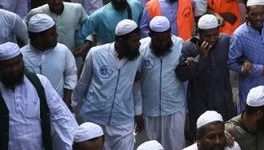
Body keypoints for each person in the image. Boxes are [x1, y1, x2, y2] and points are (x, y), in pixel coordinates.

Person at [0, 42, 77, 149]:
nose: (14, 69)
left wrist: (77, 140)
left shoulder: (40, 83)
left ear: (22, 60)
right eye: (8, 66)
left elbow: (61, 116)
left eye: (17, 63)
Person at [73, 19, 144, 150]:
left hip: (123, 120)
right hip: (94, 118)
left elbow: (136, 86)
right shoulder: (96, 53)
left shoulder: (137, 58)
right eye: (134, 41)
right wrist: (72, 107)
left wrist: (138, 112)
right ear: (121, 41)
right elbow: (83, 83)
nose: (139, 44)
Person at [139, 16, 191, 150]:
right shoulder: (141, 48)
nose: (162, 44)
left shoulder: (181, 45)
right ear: (150, 35)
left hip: (174, 109)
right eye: (158, 40)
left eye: (165, 39)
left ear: (170, 33)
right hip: (149, 110)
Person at [228, 0, 264, 112]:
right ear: (247, 14)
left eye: (261, 14)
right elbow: (231, 62)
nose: (258, 18)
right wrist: (259, 69)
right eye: (253, 14)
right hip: (251, 85)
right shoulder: (239, 35)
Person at [187, 15, 237, 131]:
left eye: (215, 34)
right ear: (199, 33)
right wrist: (200, 58)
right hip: (200, 100)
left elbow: (237, 56)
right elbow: (181, 75)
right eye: (207, 36)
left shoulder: (225, 41)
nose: (212, 39)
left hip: (223, 96)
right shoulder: (189, 46)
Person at [21, 13, 78, 104]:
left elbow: (71, 75)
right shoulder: (21, 56)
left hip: (59, 107)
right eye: (52, 34)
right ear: (39, 38)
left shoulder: (63, 50)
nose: (57, 36)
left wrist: (66, 103)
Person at [76, 0, 145, 48]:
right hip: (110, 56)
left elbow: (144, 27)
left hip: (135, 53)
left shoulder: (136, 5)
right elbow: (81, 35)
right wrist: (84, 49)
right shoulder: (99, 15)